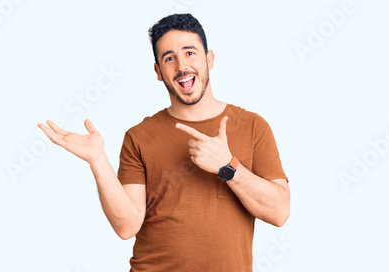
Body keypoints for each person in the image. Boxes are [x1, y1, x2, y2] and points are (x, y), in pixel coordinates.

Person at [38, 13, 290, 272]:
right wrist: (97, 160)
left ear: (209, 59)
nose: (182, 66)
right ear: (158, 71)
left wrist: (228, 166)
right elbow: (127, 227)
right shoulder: (139, 136)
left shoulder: (252, 126)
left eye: (190, 53)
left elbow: (279, 212)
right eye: (169, 58)